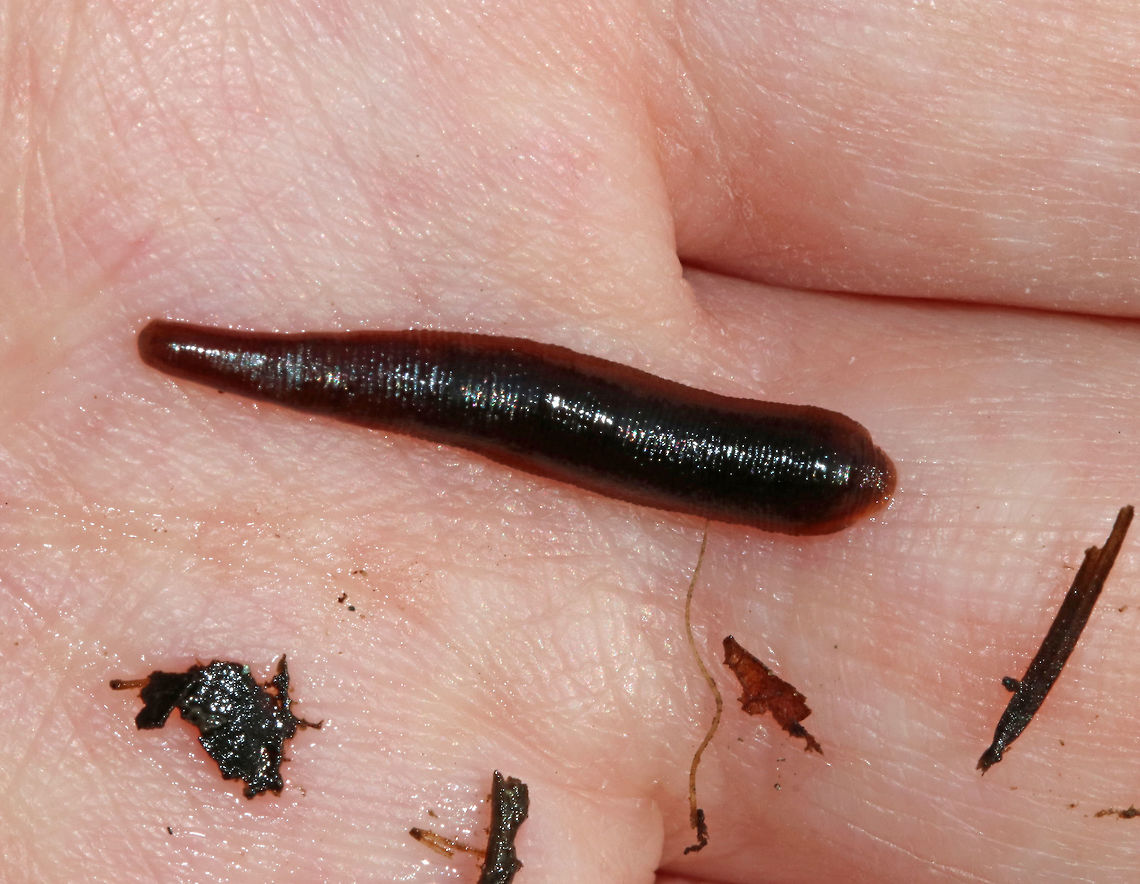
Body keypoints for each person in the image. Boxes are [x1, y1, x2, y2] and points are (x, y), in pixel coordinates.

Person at [2, 2, 1137, 880]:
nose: (868, 480)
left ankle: (184, 349)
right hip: (561, 411)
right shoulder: (808, 475)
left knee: (505, 403)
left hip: (588, 418)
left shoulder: (816, 470)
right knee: (491, 400)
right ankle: (183, 349)